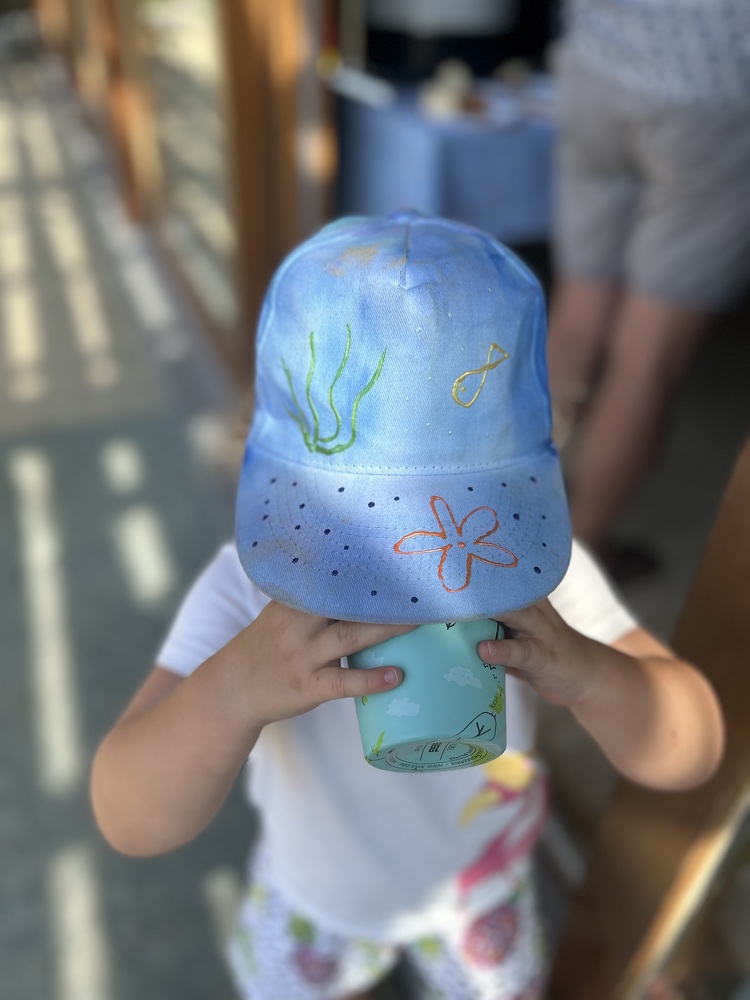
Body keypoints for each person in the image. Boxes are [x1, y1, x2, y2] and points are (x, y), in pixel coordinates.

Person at [90, 211, 724, 1000]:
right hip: (314, 901)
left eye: (449, 521)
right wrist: (230, 690)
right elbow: (129, 816)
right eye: (356, 535)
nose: (412, 575)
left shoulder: (528, 573)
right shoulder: (253, 594)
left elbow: (692, 749)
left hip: (483, 893)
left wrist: (589, 671)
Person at [546, 0, 750, 579]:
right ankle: (575, 569)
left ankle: (508, 528)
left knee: (578, 316)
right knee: (646, 358)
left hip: (596, 64)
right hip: (712, 90)